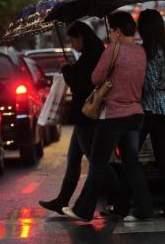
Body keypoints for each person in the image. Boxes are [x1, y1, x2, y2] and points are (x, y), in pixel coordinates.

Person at [62, 11, 153, 222]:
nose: (110, 34)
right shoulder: (140, 51)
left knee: (97, 162)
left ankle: (83, 209)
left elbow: (95, 78)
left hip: (114, 115)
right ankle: (142, 208)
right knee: (131, 163)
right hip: (135, 114)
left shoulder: (113, 49)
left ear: (119, 31)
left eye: (111, 30)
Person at [39, 21, 104, 214]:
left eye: (73, 40)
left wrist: (67, 69)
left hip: (87, 115)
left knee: (96, 162)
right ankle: (62, 200)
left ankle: (119, 194)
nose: (72, 45)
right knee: (74, 158)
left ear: (81, 37)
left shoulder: (93, 56)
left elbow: (80, 86)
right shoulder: (90, 55)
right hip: (82, 116)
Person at [137, 9, 165, 219]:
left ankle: (138, 204)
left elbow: (149, 84)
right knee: (164, 160)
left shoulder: (148, 51)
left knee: (130, 156)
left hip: (149, 108)